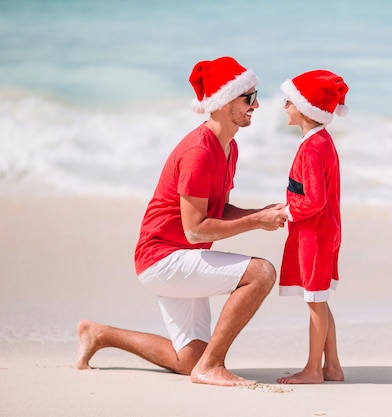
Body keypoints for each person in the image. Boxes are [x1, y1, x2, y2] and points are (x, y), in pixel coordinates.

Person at [76, 57, 287, 387]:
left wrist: (259, 212)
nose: (256, 105)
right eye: (248, 97)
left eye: (254, 96)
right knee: (261, 273)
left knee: (188, 360)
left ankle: (100, 334)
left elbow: (218, 209)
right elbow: (195, 229)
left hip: (180, 257)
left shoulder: (229, 148)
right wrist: (257, 221)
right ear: (222, 101)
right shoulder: (199, 152)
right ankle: (213, 366)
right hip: (163, 258)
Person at [276, 70, 349, 384]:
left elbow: (315, 200)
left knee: (314, 302)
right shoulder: (321, 142)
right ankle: (331, 366)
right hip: (323, 230)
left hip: (315, 233)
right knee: (320, 299)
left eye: (289, 102)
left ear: (306, 108)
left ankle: (313, 370)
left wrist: (286, 211)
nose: (285, 108)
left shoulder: (312, 147)